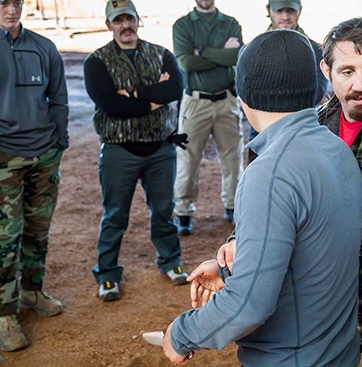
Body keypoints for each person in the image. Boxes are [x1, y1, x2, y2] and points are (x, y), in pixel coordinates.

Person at [199, 16, 362, 367]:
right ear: (326, 70)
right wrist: (243, 241)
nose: (360, 84)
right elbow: (281, 193)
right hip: (340, 299)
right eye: (346, 71)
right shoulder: (319, 116)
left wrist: (283, 251)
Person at [162, 29, 362, 366]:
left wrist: (182, 333)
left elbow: (250, 304)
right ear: (318, 87)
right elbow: (310, 254)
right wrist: (233, 271)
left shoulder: (270, 172)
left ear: (244, 93)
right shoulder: (335, 148)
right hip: (337, 352)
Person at [83, 0, 187, 302]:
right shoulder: (97, 61)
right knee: (115, 215)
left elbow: (174, 90)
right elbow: (111, 106)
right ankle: (107, 274)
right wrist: (153, 96)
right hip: (119, 151)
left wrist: (131, 93)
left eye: (129, 19)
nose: (125, 25)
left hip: (160, 149)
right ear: (109, 25)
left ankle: (170, 261)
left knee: (164, 211)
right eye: (118, 21)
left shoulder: (161, 54)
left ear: (138, 21)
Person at [0, 0, 68, 351]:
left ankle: (32, 291)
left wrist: (59, 141)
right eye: (3, 3)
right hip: (4, 159)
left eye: (17, 2)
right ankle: (3, 313)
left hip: (44, 156)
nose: (11, 9)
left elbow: (58, 97)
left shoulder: (43, 47)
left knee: (38, 229)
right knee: (4, 237)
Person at [172, 0, 244, 235]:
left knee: (233, 156)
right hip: (195, 103)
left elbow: (235, 57)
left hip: (226, 100)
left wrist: (202, 51)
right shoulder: (182, 25)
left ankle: (233, 206)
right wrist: (220, 53)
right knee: (188, 158)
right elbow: (187, 63)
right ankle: (183, 211)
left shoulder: (231, 23)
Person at [247, 0, 331, 163]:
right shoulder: (253, 49)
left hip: (302, 132)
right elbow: (248, 91)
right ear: (269, 11)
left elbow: (318, 90)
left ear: (299, 11)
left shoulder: (316, 49)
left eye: (290, 11)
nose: (285, 17)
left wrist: (269, 94)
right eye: (279, 11)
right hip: (262, 133)